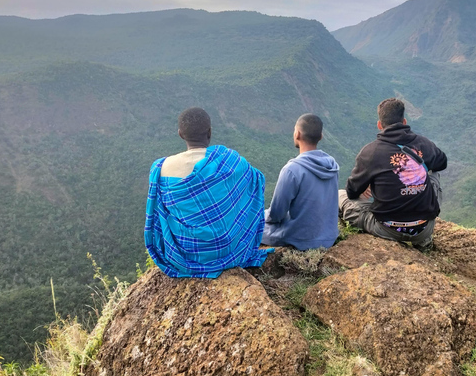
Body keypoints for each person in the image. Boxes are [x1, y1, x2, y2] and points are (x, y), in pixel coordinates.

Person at [144, 107, 271, 278]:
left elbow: (156, 217)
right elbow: (256, 180)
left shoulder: (160, 169)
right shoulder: (230, 160)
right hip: (229, 247)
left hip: (186, 254)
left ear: (180, 134)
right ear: (210, 132)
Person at [339, 98, 447, 249]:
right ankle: (423, 240)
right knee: (434, 174)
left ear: (379, 125)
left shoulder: (370, 152)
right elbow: (442, 163)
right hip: (423, 229)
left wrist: (371, 183)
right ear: (404, 121)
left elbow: (352, 192)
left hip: (386, 229)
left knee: (340, 196)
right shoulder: (424, 144)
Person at [262, 114, 340, 250]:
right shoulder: (332, 166)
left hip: (301, 239)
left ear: (297, 134)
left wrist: (262, 215)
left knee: (253, 225)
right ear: (320, 136)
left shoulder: (292, 170)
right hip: (328, 237)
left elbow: (276, 214)